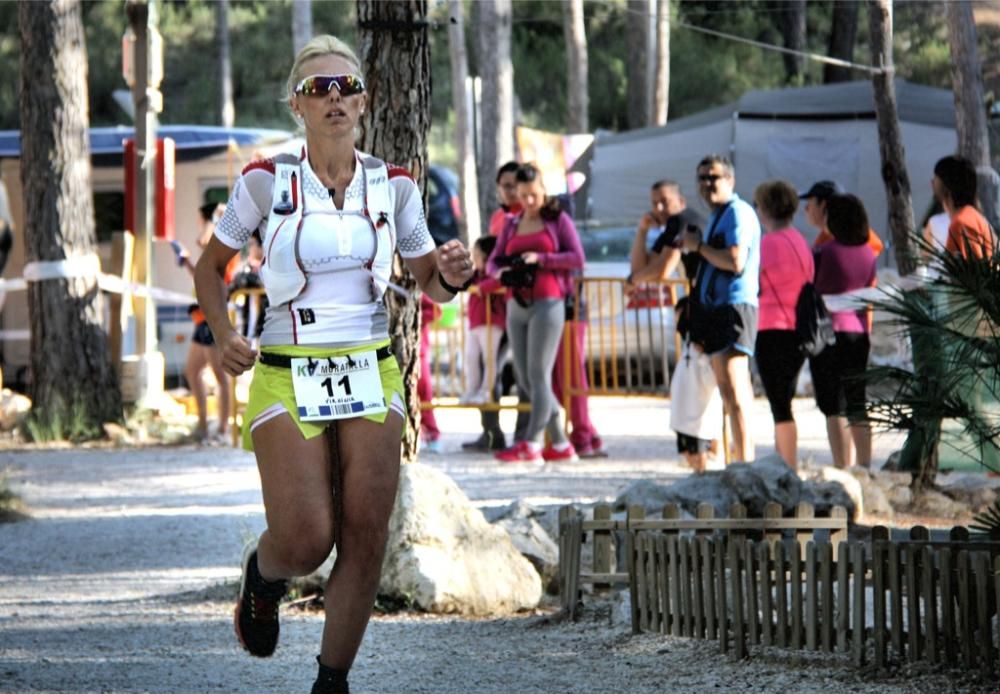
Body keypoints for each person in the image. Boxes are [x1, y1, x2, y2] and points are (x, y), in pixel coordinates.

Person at [193, 35, 474, 694]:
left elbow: (427, 279)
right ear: (298, 104)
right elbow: (211, 268)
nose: (335, 99)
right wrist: (223, 330)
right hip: (288, 365)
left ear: (364, 102)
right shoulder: (265, 180)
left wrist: (453, 276)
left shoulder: (393, 185)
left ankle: (332, 680)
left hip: (369, 364)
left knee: (367, 531)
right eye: (320, 88)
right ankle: (264, 575)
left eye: (347, 87)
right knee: (308, 539)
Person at [487, 162, 585, 464]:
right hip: (517, 303)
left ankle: (530, 443)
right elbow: (492, 262)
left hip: (549, 302)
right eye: (523, 194)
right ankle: (560, 444)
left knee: (538, 374)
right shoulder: (512, 223)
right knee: (525, 378)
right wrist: (504, 270)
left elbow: (577, 257)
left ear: (543, 189)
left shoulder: (558, 220)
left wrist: (540, 259)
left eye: (534, 194)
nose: (529, 201)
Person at [681, 155, 760, 463]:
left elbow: (735, 261)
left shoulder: (738, 213)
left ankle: (746, 461)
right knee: (726, 392)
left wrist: (698, 247)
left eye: (713, 177)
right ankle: (737, 460)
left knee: (736, 392)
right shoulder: (718, 214)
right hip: (716, 309)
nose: (706, 184)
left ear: (730, 180)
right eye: (701, 178)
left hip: (734, 307)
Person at [808, 194, 877, 469]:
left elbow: (812, 286)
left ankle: (842, 465)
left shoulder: (825, 253)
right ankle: (865, 464)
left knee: (833, 405)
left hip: (829, 332)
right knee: (857, 401)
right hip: (859, 331)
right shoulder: (868, 253)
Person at [754, 180, 814, 469]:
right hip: (798, 329)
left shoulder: (767, 243)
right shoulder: (801, 241)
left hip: (772, 328)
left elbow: (754, 281)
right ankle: (784, 462)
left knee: (780, 406)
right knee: (784, 400)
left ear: (765, 208)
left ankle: (787, 467)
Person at [463, 163, 521, 452]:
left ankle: (523, 435)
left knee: (518, 372)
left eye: (513, 185)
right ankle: (490, 430)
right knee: (487, 364)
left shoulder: (530, 217)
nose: (508, 191)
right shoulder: (500, 218)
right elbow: (493, 259)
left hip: (516, 303)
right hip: (495, 307)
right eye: (504, 186)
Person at [172, 202, 232, 443]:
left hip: (212, 316)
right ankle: (204, 425)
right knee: (192, 370)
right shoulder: (211, 245)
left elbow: (204, 241)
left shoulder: (219, 240)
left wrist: (215, 215)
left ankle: (223, 429)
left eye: (201, 219)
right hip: (202, 317)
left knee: (220, 376)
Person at [627, 180, 705, 288]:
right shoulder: (674, 224)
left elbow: (662, 270)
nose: (659, 208)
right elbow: (640, 269)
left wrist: (632, 280)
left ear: (681, 202)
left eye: (665, 201)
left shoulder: (680, 220)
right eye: (654, 203)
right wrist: (642, 230)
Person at [460, 236, 506, 406]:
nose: (474, 259)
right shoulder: (475, 275)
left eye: (477, 255)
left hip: (492, 321)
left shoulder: (495, 272)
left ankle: (485, 391)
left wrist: (482, 288)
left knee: (489, 358)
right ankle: (472, 388)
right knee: (471, 356)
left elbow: (499, 281)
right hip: (475, 322)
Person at [933, 155, 996, 260]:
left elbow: (975, 270)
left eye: (936, 178)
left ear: (947, 183)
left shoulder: (961, 223)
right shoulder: (970, 215)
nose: (932, 183)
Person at [801, 180, 884, 257]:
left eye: (809, 202)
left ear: (823, 205)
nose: (806, 208)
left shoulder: (856, 237)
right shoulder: (826, 236)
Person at [417, 294, 443, 453]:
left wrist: (415, 317)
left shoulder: (416, 287)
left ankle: (433, 434)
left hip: (418, 350)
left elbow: (435, 310)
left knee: (424, 392)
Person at [488, 161, 522, 237]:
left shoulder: (531, 215)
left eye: (517, 185)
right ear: (498, 187)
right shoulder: (497, 217)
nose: (513, 192)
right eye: (507, 186)